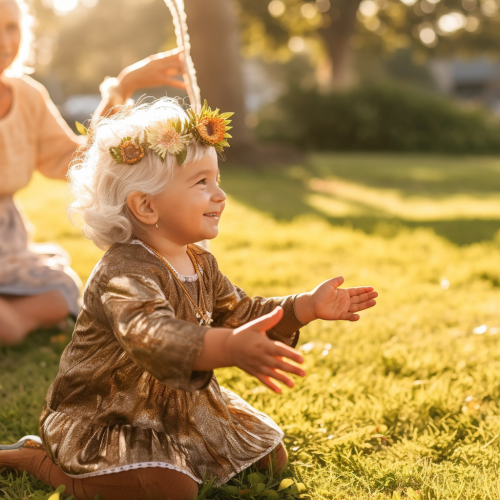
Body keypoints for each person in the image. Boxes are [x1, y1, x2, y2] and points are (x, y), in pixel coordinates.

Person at [0, 97, 378, 499]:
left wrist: (304, 307)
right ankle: (39, 460)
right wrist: (229, 347)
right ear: (146, 206)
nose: (220, 195)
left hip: (177, 405)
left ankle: (174, 454)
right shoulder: (123, 272)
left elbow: (239, 312)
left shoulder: (200, 261)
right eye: (202, 183)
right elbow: (154, 336)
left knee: (271, 457)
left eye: (217, 179)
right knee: (168, 488)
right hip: (108, 411)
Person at [0, 0, 187, 344]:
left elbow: (77, 159)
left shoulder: (27, 95)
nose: (4, 41)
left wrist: (123, 87)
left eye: (11, 28)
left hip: (7, 239)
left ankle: (12, 319)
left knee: (61, 292)